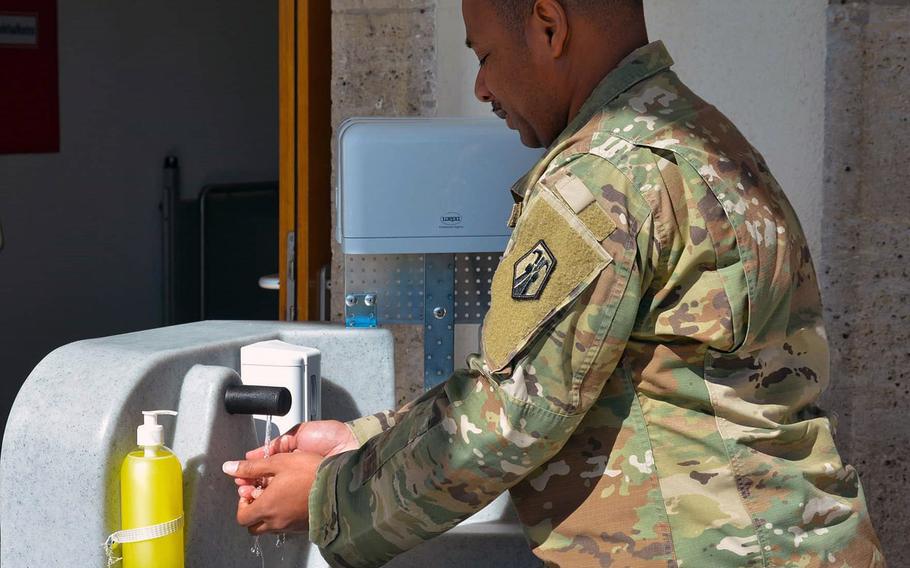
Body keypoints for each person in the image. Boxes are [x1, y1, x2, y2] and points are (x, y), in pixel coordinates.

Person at [222, 1, 886, 566]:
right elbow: (528, 385)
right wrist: (360, 439)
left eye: (483, 54)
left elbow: (505, 422)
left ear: (548, 24)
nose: (482, 87)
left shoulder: (602, 176)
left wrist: (329, 498)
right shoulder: (706, 139)